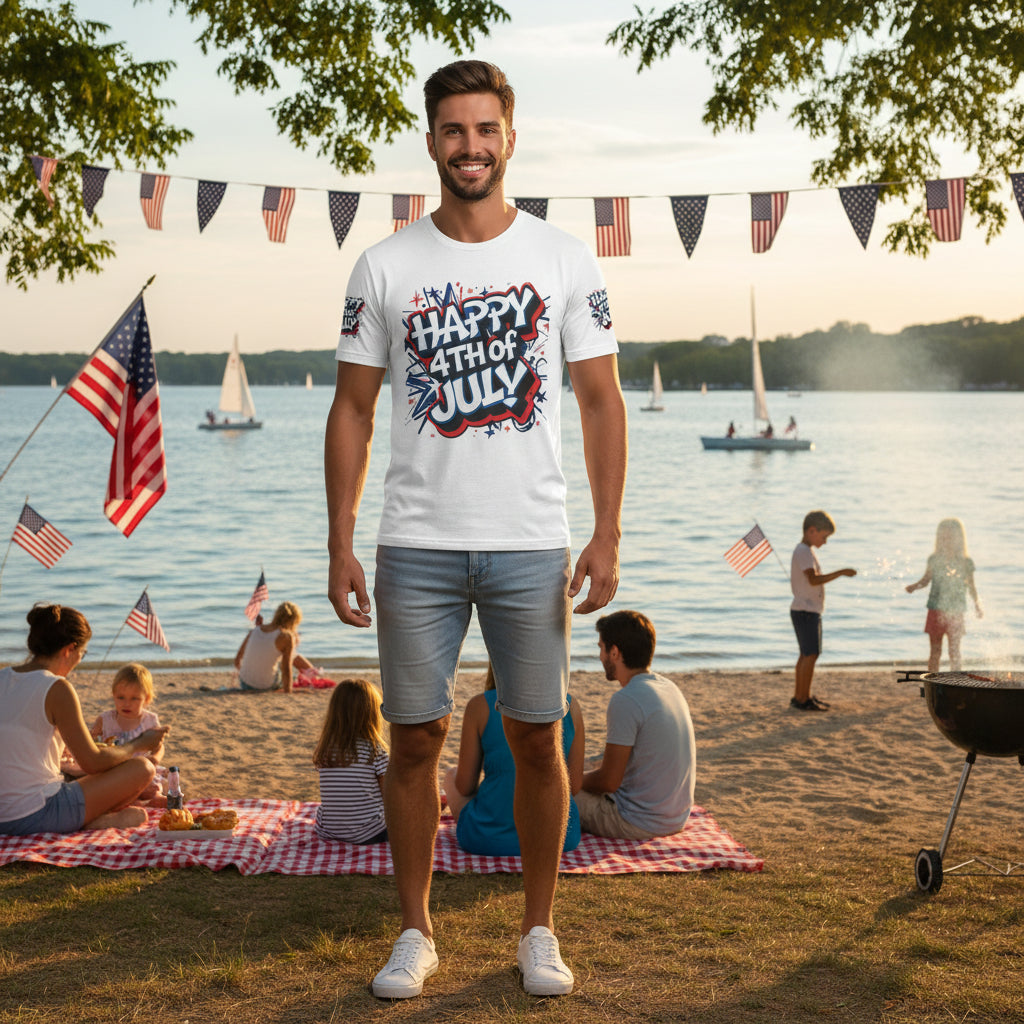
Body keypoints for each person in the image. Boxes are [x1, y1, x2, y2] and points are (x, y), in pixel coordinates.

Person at [325, 60, 627, 999]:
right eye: (453, 131)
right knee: (413, 742)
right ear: (431, 140)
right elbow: (350, 411)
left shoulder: (566, 258)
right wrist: (339, 538)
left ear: (508, 137)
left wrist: (606, 532)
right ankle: (415, 931)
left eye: (485, 130)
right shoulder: (384, 265)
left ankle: (540, 930)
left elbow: (602, 402)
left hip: (532, 543)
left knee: (539, 737)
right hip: (415, 543)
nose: (470, 147)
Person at [0, 604, 168, 835]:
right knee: (143, 767)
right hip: (36, 813)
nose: (80, 659)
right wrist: (139, 743)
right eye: (82, 653)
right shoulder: (56, 688)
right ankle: (92, 821)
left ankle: (90, 818)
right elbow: (93, 762)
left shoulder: (2, 677)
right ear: (70, 649)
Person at [442, 666, 584, 856]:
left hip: (488, 838)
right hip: (560, 837)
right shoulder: (570, 705)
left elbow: (465, 786)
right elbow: (573, 786)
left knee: (451, 776)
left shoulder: (480, 706)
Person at [577, 611, 695, 840]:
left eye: (601, 648)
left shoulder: (626, 700)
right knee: (581, 764)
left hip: (638, 822)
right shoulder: (668, 687)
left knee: (554, 789)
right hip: (675, 816)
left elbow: (608, 781)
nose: (600, 656)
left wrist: (573, 780)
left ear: (614, 652)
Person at [790, 511, 857, 711]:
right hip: (805, 610)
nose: (825, 542)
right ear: (812, 531)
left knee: (807, 654)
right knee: (810, 655)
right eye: (824, 536)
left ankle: (801, 695)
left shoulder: (805, 550)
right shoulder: (803, 551)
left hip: (806, 610)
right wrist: (841, 572)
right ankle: (802, 699)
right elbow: (813, 579)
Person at [312, 678, 389, 844]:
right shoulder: (374, 752)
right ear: (373, 715)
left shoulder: (327, 750)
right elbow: (389, 796)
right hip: (368, 833)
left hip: (329, 830)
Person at [905, 517, 983, 672]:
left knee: (954, 652)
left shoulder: (965, 562)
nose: (947, 540)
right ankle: (933, 682)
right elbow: (926, 580)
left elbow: (971, 586)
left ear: (959, 539)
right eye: (943, 537)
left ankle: (955, 682)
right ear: (938, 538)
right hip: (935, 610)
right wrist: (914, 586)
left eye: (951, 537)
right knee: (935, 652)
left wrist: (977, 605)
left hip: (957, 611)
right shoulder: (934, 559)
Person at [87, 662, 166, 805]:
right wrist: (92, 739)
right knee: (109, 787)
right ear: (113, 695)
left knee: (152, 784)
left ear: (147, 699)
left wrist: (154, 758)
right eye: (121, 697)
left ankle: (153, 797)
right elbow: (91, 741)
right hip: (114, 769)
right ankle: (136, 801)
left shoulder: (150, 720)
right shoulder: (105, 719)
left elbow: (159, 746)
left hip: (140, 768)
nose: (126, 703)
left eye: (134, 698)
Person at [234, 601, 314, 693]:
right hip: (266, 685)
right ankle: (314, 673)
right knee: (294, 663)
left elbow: (237, 660)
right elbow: (286, 668)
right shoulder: (286, 636)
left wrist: (248, 674)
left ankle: (313, 672)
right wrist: (288, 692)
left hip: (244, 684)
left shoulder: (255, 630)